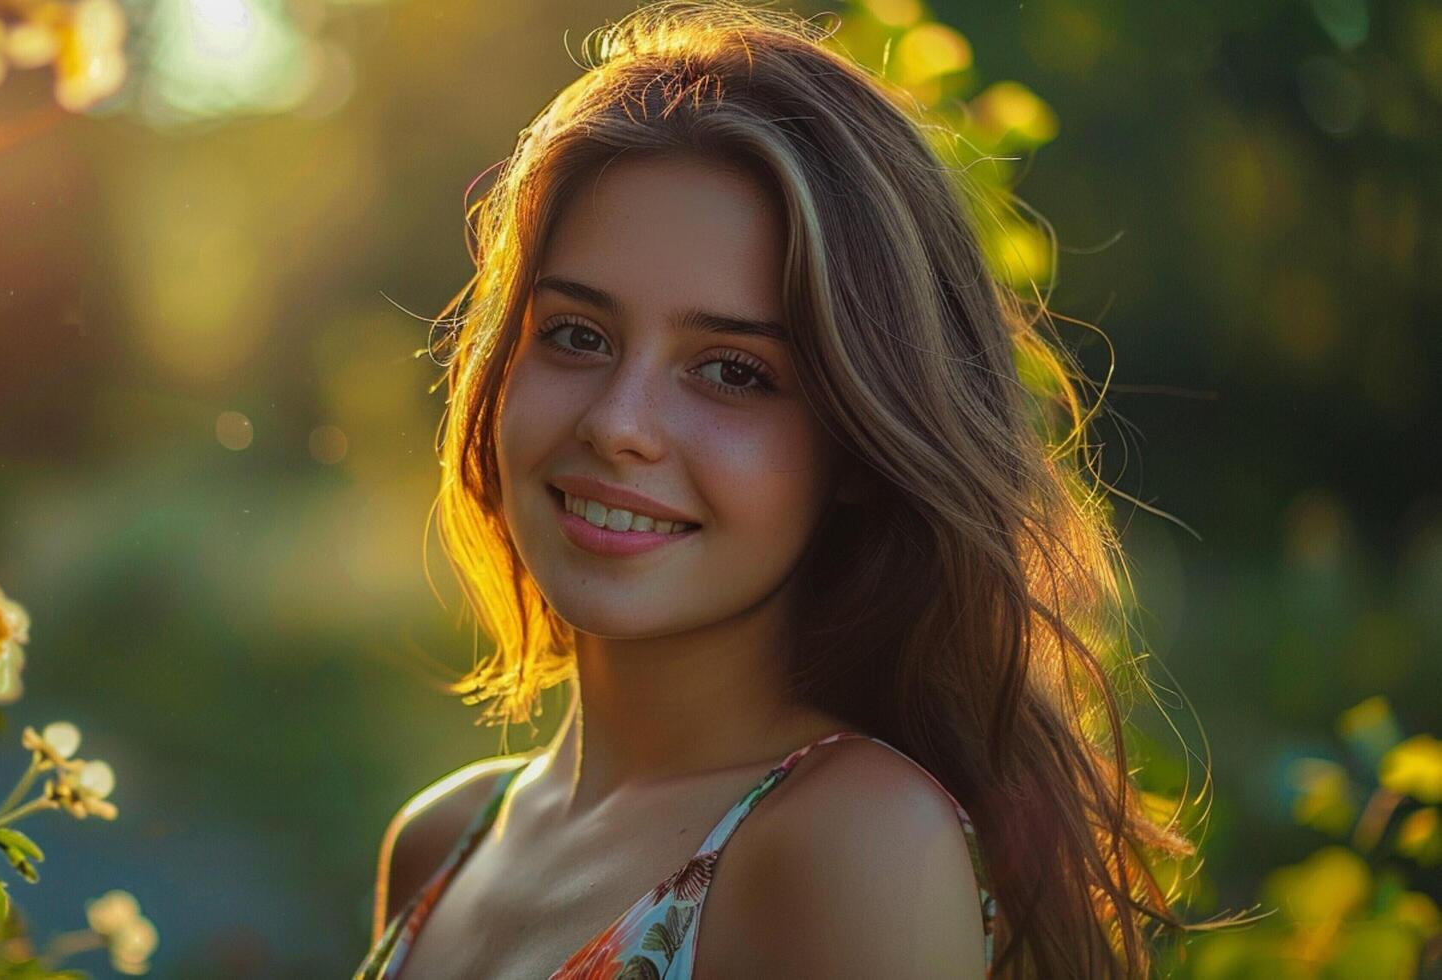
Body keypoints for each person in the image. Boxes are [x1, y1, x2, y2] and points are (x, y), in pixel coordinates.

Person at [358, 2, 1201, 976]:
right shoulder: (444, 837)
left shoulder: (851, 845)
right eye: (577, 334)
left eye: (733, 370)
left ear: (856, 442)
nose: (617, 423)